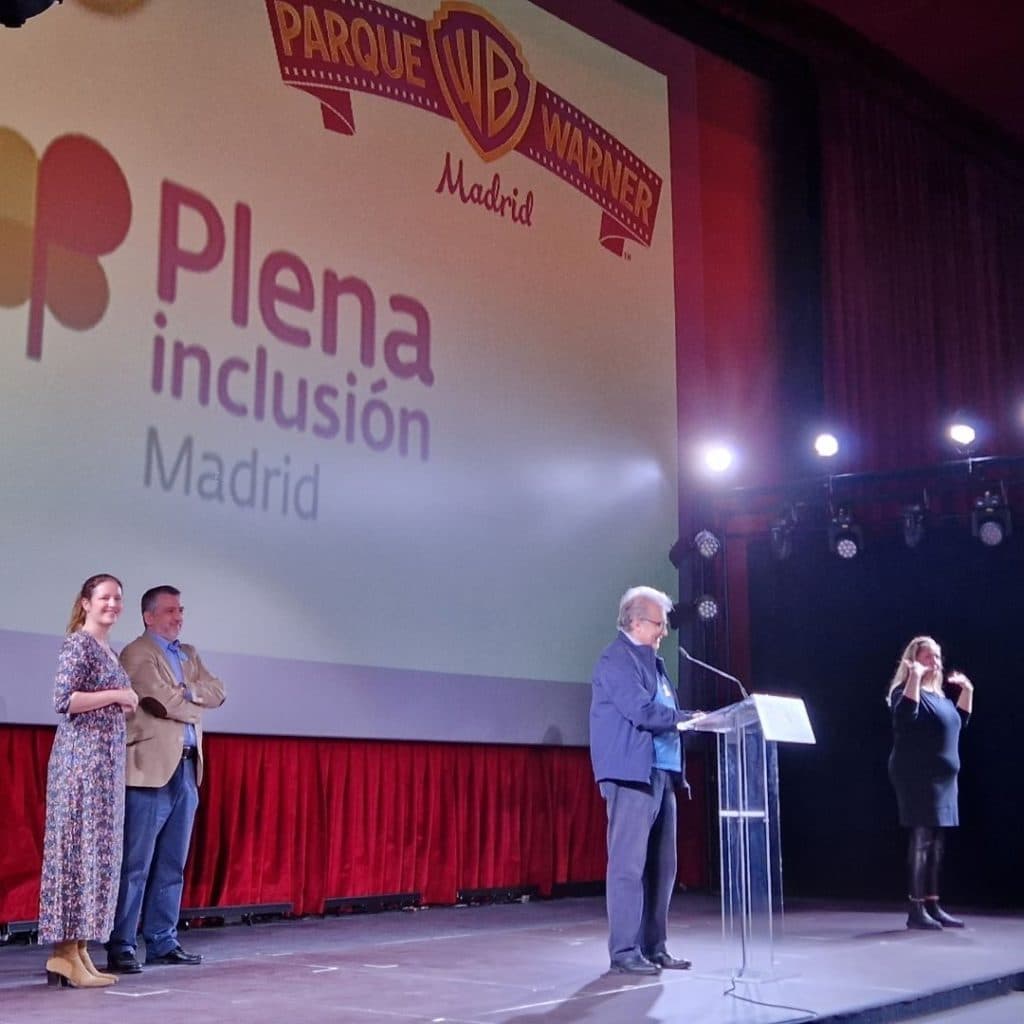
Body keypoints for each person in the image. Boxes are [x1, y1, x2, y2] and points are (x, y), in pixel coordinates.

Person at [104, 585, 225, 973]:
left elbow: (218, 691)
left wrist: (187, 692)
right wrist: (193, 703)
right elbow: (160, 702)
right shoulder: (137, 653)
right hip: (148, 771)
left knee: (173, 863)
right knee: (135, 864)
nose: (178, 617)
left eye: (180, 610)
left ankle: (162, 941)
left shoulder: (188, 654)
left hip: (186, 768)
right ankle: (122, 944)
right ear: (149, 616)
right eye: (170, 611)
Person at [589, 585, 702, 975]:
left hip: (662, 775)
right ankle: (624, 951)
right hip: (632, 776)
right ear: (636, 622)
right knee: (628, 866)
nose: (664, 632)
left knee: (663, 867)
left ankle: (655, 946)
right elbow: (639, 710)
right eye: (660, 624)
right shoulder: (616, 659)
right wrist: (685, 719)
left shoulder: (654, 663)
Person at [38, 574, 140, 988]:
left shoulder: (106, 649)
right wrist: (118, 695)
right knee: (77, 852)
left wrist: (124, 701)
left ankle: (79, 950)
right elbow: (64, 699)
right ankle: (64, 951)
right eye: (104, 597)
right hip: (79, 766)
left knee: (95, 855)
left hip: (103, 768)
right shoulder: (78, 644)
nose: (112, 604)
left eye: (118, 598)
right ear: (85, 603)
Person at [887, 635, 974, 930]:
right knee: (921, 837)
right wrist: (914, 676)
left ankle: (933, 904)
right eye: (928, 657)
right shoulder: (904, 691)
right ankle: (916, 909)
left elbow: (958, 722)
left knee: (936, 843)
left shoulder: (940, 697)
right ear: (914, 659)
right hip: (917, 775)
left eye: (937, 657)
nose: (935, 662)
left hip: (944, 780)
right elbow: (905, 716)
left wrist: (967, 690)